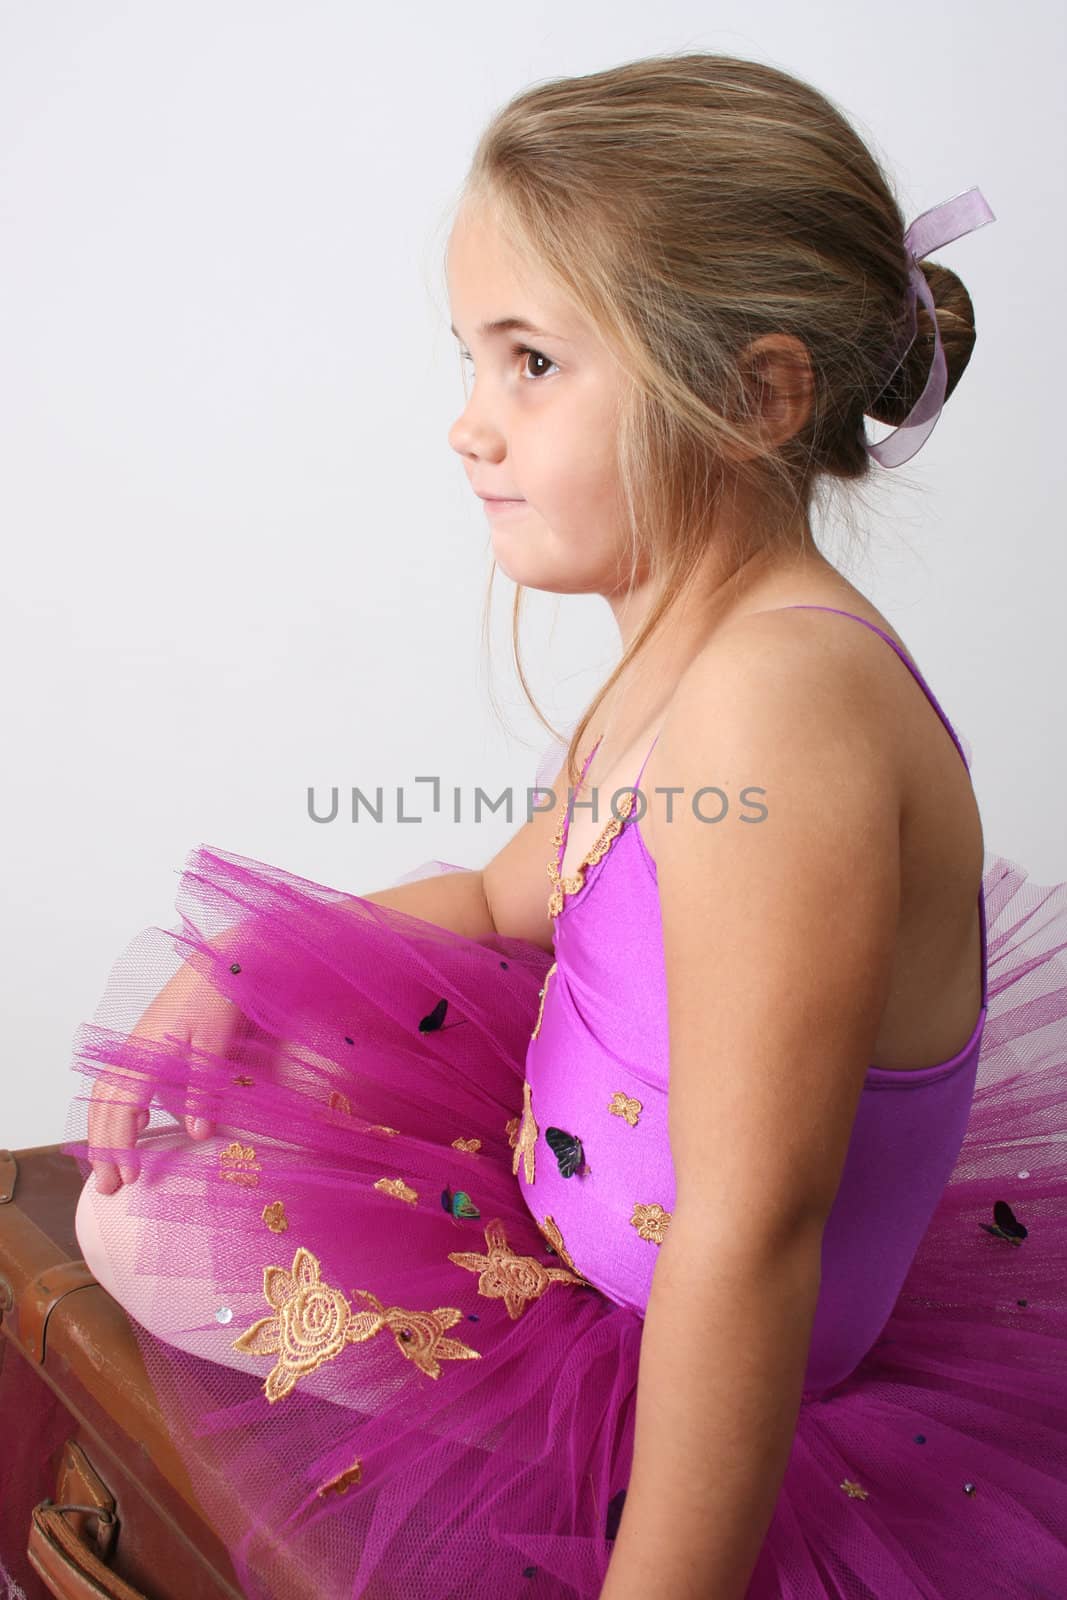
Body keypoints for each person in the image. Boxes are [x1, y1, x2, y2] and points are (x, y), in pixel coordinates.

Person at [65, 51, 1067, 1600]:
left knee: (154, 1230)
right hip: (590, 1184)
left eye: (532, 363)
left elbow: (747, 1232)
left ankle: (569, 1462)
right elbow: (501, 896)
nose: (470, 425)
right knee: (256, 1109)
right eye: (470, 360)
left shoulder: (781, 704)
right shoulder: (695, 654)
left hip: (707, 1312)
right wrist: (258, 962)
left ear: (756, 397)